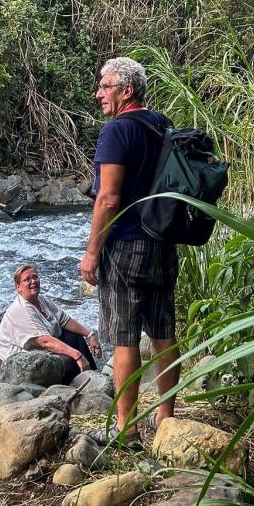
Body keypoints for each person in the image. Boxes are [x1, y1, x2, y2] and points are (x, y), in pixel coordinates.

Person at [79, 56, 180, 446]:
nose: (99, 93)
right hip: (163, 242)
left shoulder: (116, 131)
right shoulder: (162, 125)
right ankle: (166, 418)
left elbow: (108, 198)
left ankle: (127, 428)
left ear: (127, 90)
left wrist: (92, 253)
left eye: (105, 86)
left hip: (125, 247)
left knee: (124, 338)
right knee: (163, 334)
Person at [0, 263, 102, 382]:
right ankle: (81, 382)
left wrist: (90, 335)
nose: (33, 281)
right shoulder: (20, 309)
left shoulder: (41, 300)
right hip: (21, 364)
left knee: (74, 336)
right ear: (18, 287)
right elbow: (45, 341)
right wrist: (78, 356)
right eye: (27, 279)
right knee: (71, 361)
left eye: (35, 277)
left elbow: (65, 320)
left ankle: (92, 373)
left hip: (40, 352)